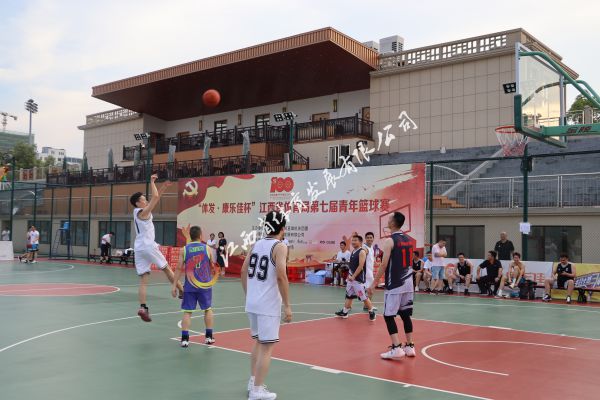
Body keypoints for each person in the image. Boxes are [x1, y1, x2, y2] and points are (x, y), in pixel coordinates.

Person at [241, 211, 292, 400]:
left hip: (252, 302)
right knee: (266, 348)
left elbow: (243, 271)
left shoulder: (256, 244)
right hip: (268, 305)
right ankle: (257, 391)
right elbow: (281, 276)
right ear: (282, 228)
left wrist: (249, 295)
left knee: (258, 342)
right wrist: (287, 305)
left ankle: (253, 381)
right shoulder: (280, 246)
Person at [130, 174, 183, 322]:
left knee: (143, 279)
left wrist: (163, 188)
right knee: (166, 269)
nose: (146, 200)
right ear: (137, 203)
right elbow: (155, 197)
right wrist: (152, 182)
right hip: (148, 246)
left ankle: (143, 307)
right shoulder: (144, 213)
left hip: (139, 248)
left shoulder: (136, 212)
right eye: (143, 199)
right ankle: (182, 291)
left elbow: (155, 197)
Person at [368, 211, 416, 360]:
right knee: (405, 314)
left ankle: (396, 348)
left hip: (395, 284)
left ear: (393, 223)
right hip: (409, 283)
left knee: (389, 316)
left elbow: (383, 264)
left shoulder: (390, 240)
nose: (387, 220)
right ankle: (410, 346)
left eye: (389, 218)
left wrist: (374, 283)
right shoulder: (409, 239)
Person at [171, 226, 216, 347]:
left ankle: (185, 339)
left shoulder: (184, 250)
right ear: (201, 235)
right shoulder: (207, 248)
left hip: (190, 285)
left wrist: (174, 285)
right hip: (204, 284)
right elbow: (212, 266)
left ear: (190, 236)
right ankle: (209, 337)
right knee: (207, 309)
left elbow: (178, 268)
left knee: (187, 312)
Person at [334, 235, 376, 321]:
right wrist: (349, 275)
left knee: (363, 297)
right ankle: (345, 312)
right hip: (351, 279)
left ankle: (371, 311)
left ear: (360, 242)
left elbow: (361, 266)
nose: (353, 242)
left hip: (358, 280)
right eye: (352, 240)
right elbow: (352, 265)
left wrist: (353, 276)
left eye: (355, 240)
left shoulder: (362, 252)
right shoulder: (353, 251)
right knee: (349, 296)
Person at [362, 232, 377, 310]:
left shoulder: (372, 248)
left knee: (369, 290)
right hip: (365, 273)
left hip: (369, 272)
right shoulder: (364, 248)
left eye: (371, 237)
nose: (369, 239)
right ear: (365, 238)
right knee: (370, 290)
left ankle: (367, 305)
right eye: (367, 237)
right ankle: (368, 306)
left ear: (373, 238)